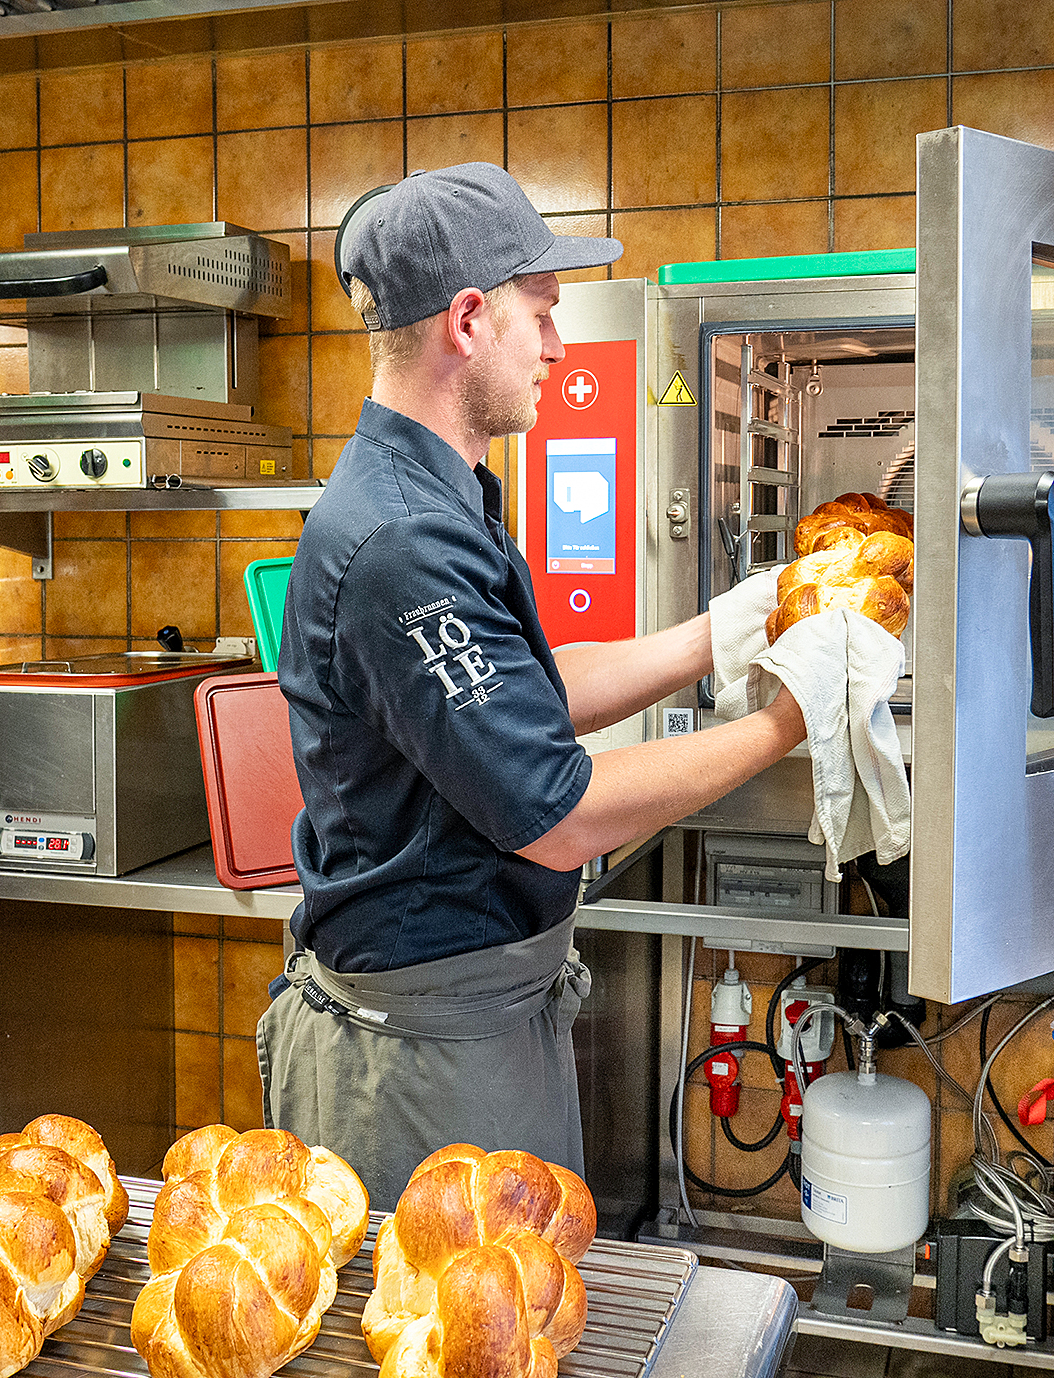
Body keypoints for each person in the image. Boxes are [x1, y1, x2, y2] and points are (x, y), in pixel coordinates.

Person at [260, 162, 808, 1206]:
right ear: (468, 320)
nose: (560, 345)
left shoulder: (442, 490)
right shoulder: (400, 538)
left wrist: (720, 634)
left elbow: (526, 695)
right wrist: (785, 722)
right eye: (542, 313)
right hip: (421, 1057)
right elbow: (557, 815)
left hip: (477, 1019)